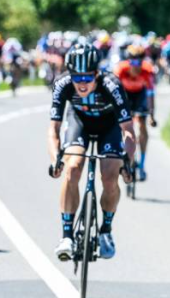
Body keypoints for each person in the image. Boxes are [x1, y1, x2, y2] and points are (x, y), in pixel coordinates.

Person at [48, 43, 135, 261]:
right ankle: (66, 236)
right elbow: (54, 130)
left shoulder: (112, 85)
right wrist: (56, 160)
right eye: (78, 78)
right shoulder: (62, 84)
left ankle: (105, 230)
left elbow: (128, 132)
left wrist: (128, 162)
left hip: (110, 126)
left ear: (97, 73)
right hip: (80, 123)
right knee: (73, 167)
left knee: (109, 176)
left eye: (88, 78)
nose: (82, 83)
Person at [114, 44, 157, 181]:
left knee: (142, 126)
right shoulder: (120, 69)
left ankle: (142, 165)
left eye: (138, 62)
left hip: (140, 96)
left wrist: (151, 115)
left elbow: (150, 94)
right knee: (121, 125)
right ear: (128, 61)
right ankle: (124, 154)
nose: (135, 66)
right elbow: (113, 93)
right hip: (125, 95)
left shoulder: (147, 70)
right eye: (132, 62)